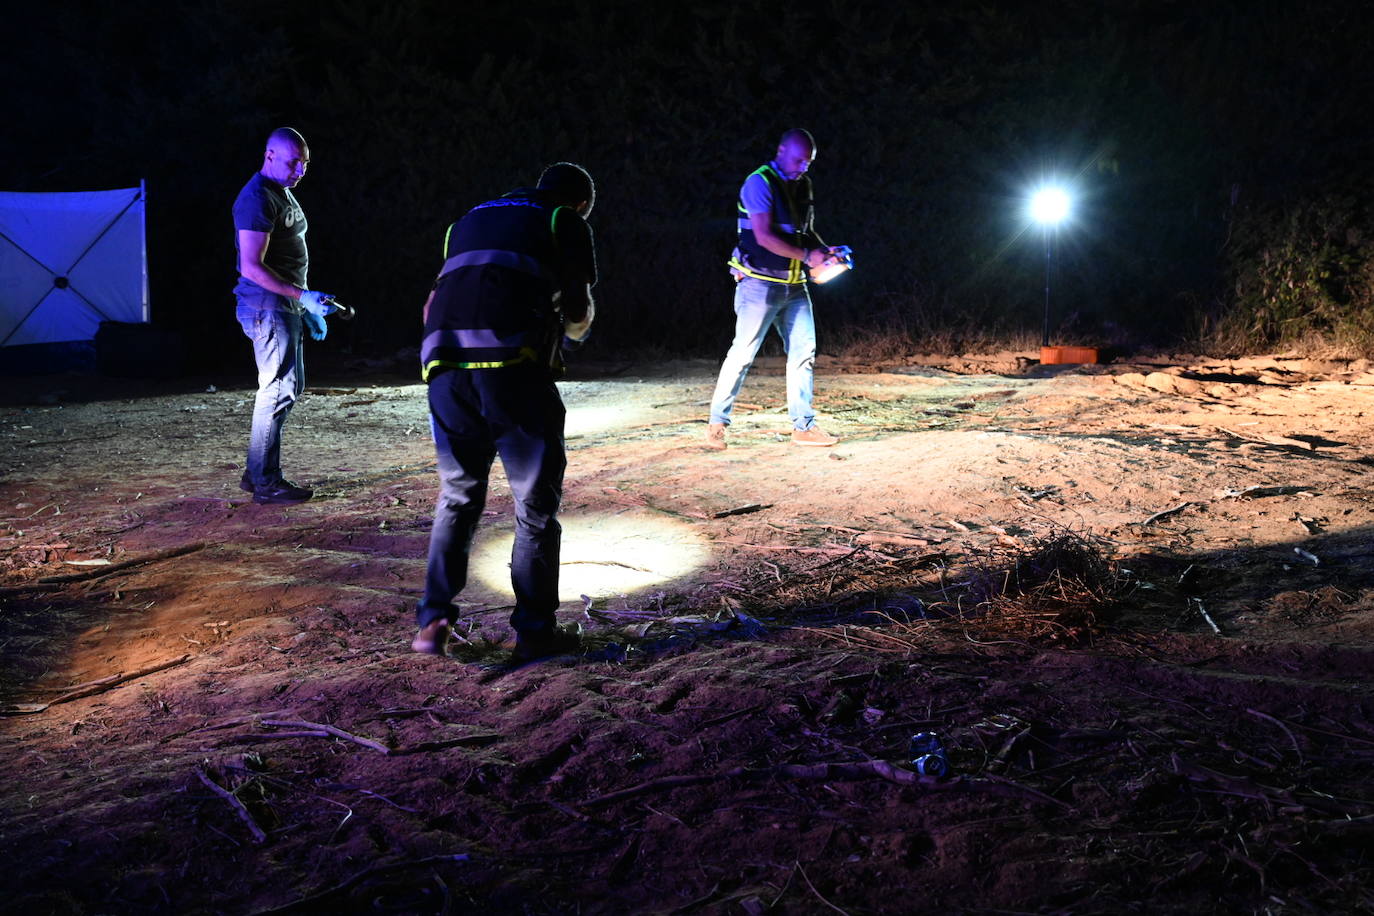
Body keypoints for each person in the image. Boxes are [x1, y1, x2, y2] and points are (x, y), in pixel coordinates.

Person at [411, 162, 597, 662]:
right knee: (535, 508)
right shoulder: (564, 219)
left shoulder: (468, 219)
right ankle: (534, 633)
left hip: (445, 367)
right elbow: (578, 308)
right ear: (580, 202)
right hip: (511, 368)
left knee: (458, 495)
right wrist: (573, 332)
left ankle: (432, 621)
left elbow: (434, 303)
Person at [707, 128, 846, 449]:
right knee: (742, 354)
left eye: (808, 162)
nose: (803, 167)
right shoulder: (759, 182)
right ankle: (717, 422)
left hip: (794, 285)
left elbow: (805, 232)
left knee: (804, 354)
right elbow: (764, 237)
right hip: (759, 284)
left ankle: (804, 426)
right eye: (799, 160)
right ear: (781, 150)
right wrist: (808, 255)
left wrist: (826, 252)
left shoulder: (803, 184)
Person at [232, 126, 341, 504]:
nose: (301, 169)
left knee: (287, 387)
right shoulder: (257, 198)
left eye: (305, 162)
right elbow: (251, 266)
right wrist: (302, 296)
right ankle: (265, 481)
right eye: (294, 161)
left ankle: (256, 474)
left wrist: (303, 304)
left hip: (281, 305)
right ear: (270, 155)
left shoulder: (282, 194)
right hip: (266, 305)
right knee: (277, 389)